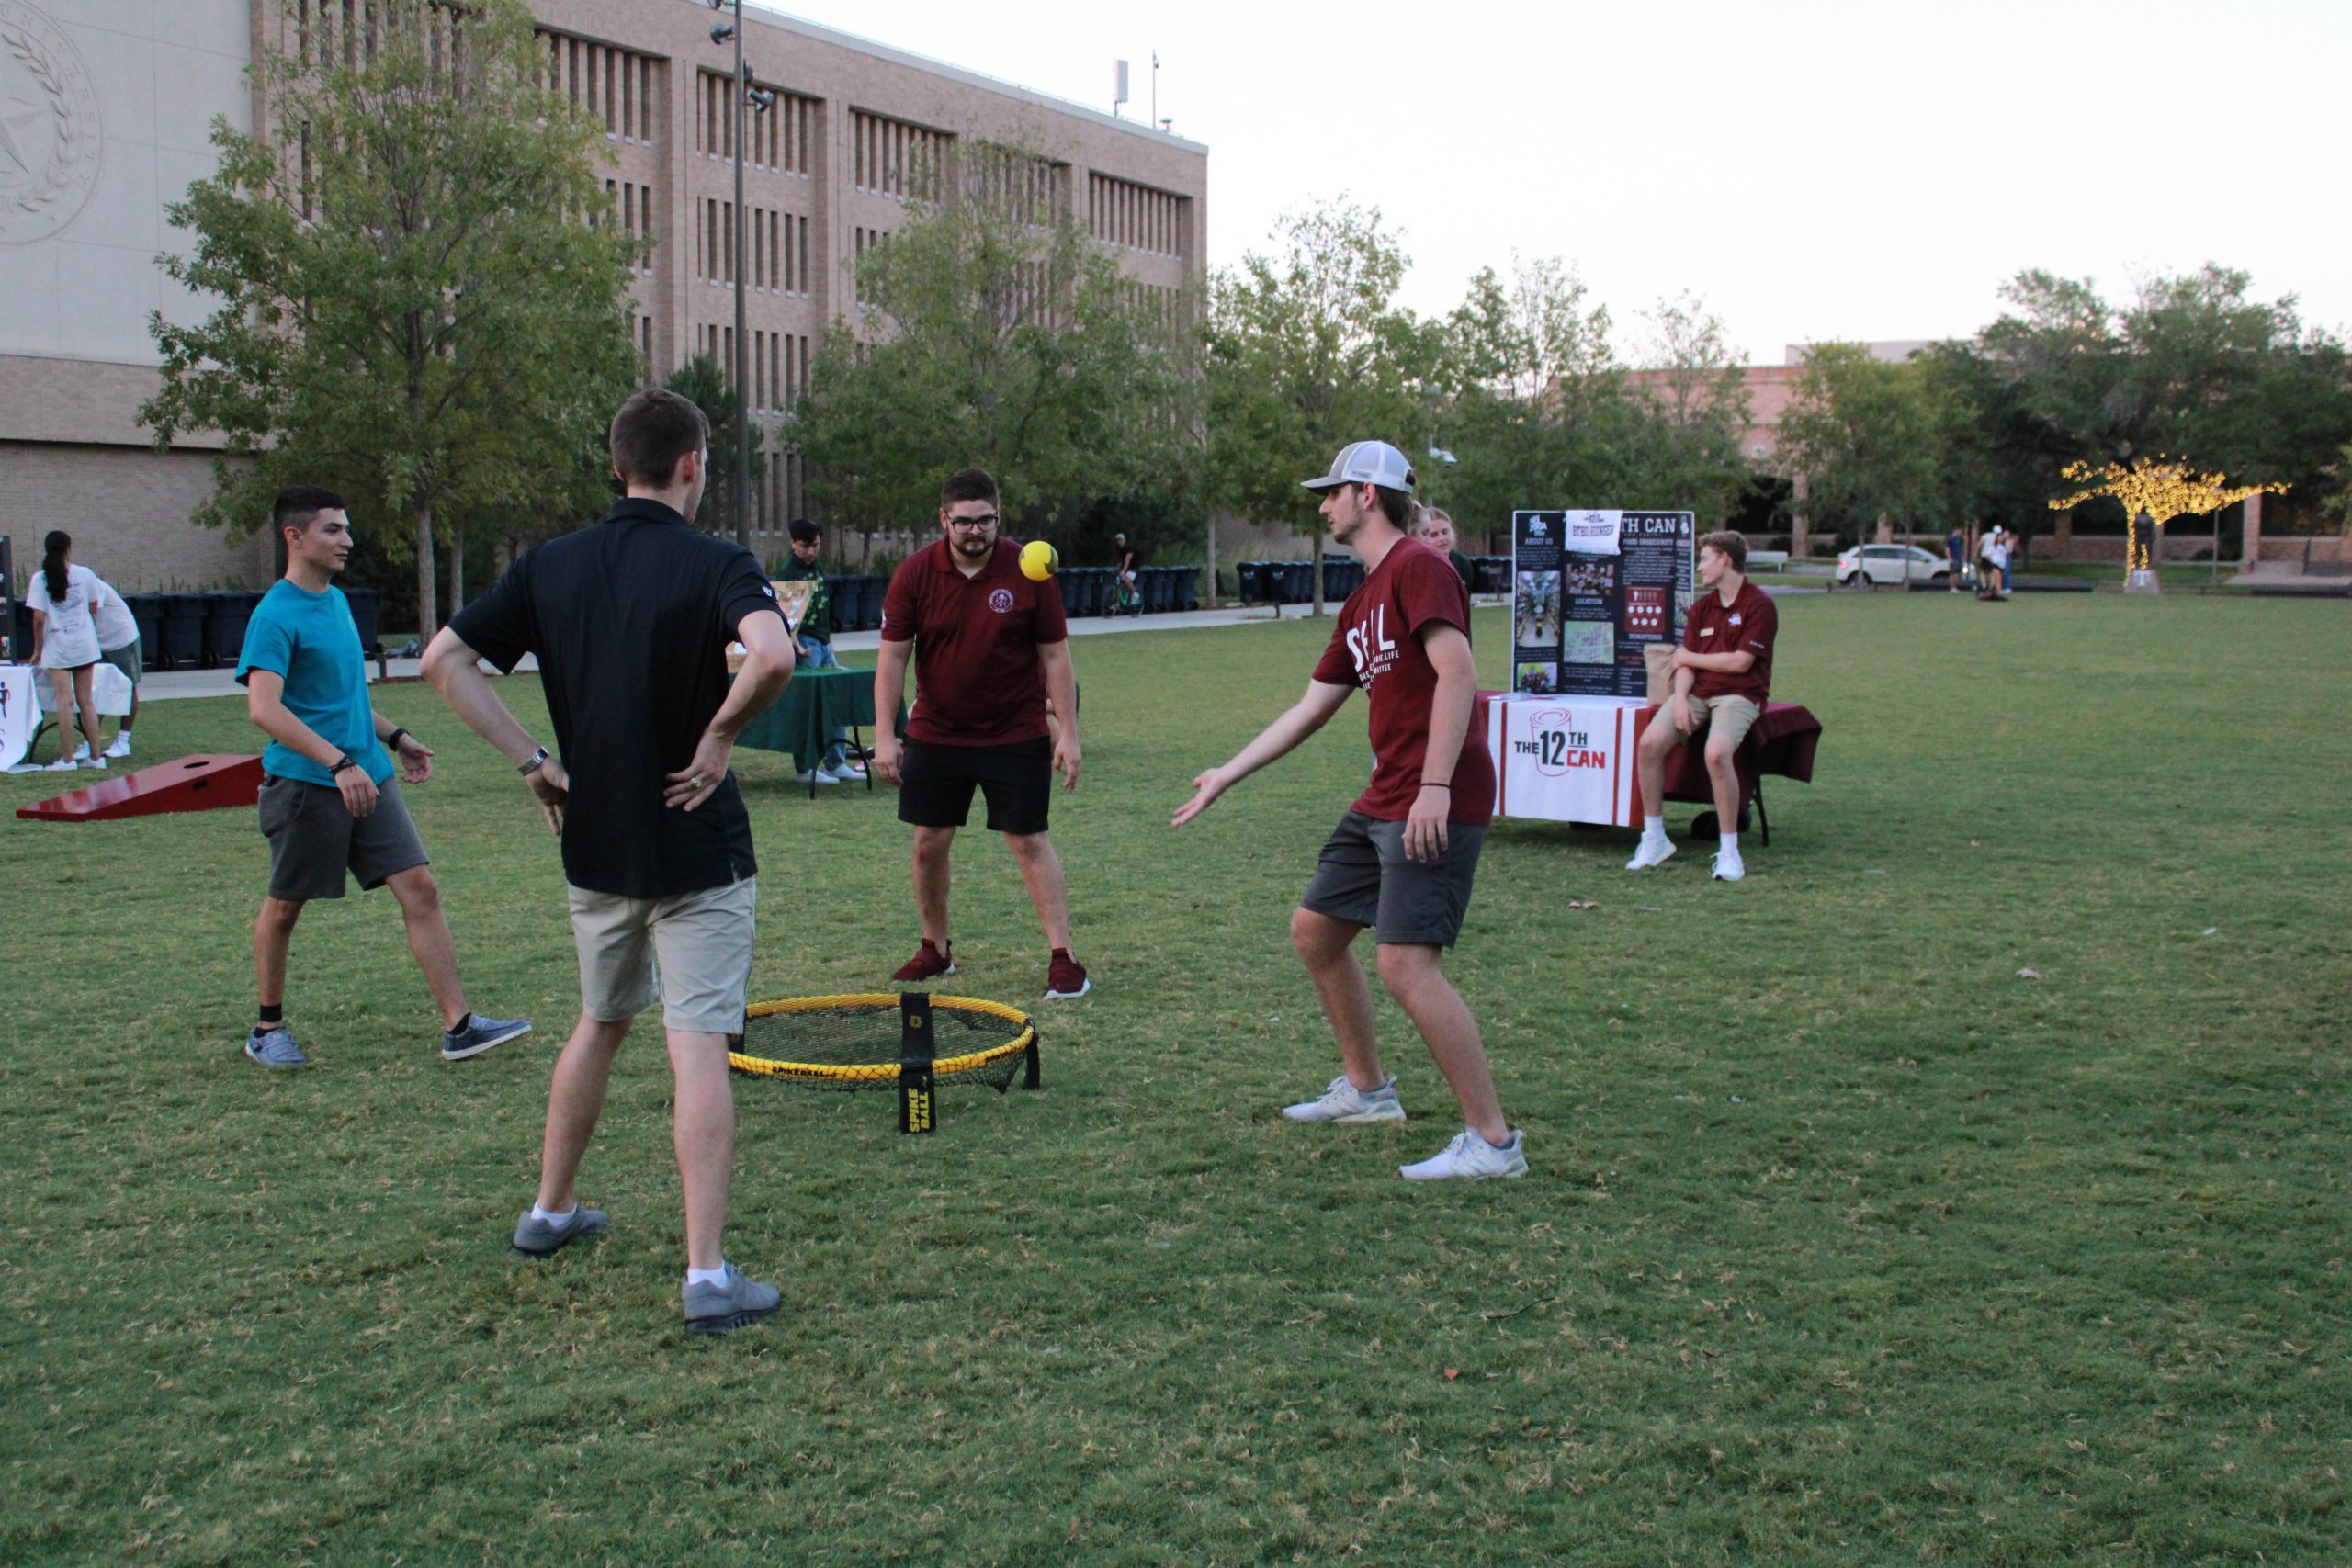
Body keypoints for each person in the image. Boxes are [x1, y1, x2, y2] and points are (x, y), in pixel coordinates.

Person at [423, 389, 797, 1335]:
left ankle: (549, 1212)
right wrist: (719, 737)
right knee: (697, 1042)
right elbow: (774, 654)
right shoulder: (718, 561)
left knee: (599, 1022)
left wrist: (533, 763)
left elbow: (442, 660)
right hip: (695, 848)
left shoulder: (550, 564)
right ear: (693, 466)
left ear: (614, 462)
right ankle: (706, 1277)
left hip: (596, 843)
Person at [1173, 439, 1524, 1182]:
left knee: (1405, 964)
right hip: (1384, 793)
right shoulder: (1364, 596)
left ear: (1368, 493)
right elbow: (1312, 706)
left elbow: (1459, 675)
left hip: (1434, 796)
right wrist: (1227, 774)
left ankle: (1493, 1142)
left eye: (1330, 491)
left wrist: (1433, 787)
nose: (1321, 504)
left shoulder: (1420, 567)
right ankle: (1368, 1093)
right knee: (1316, 932)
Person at [235, 487, 531, 1070]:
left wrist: (395, 738)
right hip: (306, 785)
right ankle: (267, 1028)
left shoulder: (338, 604)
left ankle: (460, 1026)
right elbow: (265, 709)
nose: (347, 540)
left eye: (346, 529)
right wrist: (337, 763)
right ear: (294, 538)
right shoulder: (274, 615)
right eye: (332, 531)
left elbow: (341, 699)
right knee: (286, 907)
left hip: (368, 777)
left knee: (420, 888)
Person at [873, 467, 1089, 1000]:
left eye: (985, 520)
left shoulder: (1029, 570)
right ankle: (935, 949)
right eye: (963, 521)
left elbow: (1056, 656)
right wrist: (885, 733)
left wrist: (1068, 732)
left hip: (1014, 731)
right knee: (928, 843)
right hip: (936, 732)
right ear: (943, 518)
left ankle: (1065, 960)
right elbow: (893, 657)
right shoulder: (915, 575)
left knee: (1029, 841)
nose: (975, 531)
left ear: (999, 516)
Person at [1626, 529, 1778, 884]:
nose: (1700, 568)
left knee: (1716, 752)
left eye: (1705, 559)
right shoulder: (1700, 609)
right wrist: (1679, 700)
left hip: (1740, 695)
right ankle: (1654, 839)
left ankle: (1729, 852)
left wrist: (1690, 656)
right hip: (1696, 693)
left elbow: (1741, 663)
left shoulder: (1760, 605)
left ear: (1725, 559)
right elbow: (1684, 667)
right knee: (1649, 745)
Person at [773, 517, 859, 784]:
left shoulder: (816, 567)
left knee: (835, 701)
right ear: (793, 543)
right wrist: (795, 645)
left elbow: (821, 609)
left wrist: (828, 644)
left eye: (816, 545)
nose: (811, 551)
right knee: (808, 709)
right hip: (805, 645)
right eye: (805, 546)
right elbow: (786, 616)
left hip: (822, 642)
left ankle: (836, 762)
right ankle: (805, 767)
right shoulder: (789, 572)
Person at [24, 531, 106, 771]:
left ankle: (68, 759)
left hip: (57, 647)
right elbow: (93, 607)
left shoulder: (40, 579)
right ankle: (96, 756)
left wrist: (38, 649)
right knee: (86, 701)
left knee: (64, 702)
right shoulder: (85, 574)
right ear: (68, 548)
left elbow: (38, 618)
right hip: (84, 645)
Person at [1414, 503, 1476, 590]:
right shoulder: (1417, 567)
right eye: (1434, 535)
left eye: (1445, 532)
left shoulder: (1463, 563)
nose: (1442, 539)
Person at [1946, 525, 1967, 593]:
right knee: (1953, 574)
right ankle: (1952, 587)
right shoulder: (1950, 539)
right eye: (1960, 531)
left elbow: (1962, 549)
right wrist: (1949, 558)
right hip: (1954, 558)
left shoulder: (1960, 539)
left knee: (1960, 574)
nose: (1961, 532)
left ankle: (1956, 586)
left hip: (1959, 558)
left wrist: (1963, 557)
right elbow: (1947, 549)